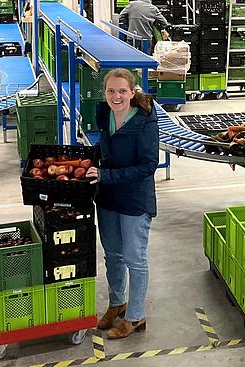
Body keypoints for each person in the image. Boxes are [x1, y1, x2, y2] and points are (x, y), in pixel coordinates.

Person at [90, 68, 159, 340]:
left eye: (121, 91)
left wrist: (105, 175)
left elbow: (148, 165)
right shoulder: (105, 114)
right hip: (107, 198)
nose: (116, 96)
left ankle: (135, 316)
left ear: (132, 92)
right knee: (113, 255)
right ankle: (117, 302)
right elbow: (104, 150)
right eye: (110, 91)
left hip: (133, 200)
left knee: (135, 259)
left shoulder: (144, 122)